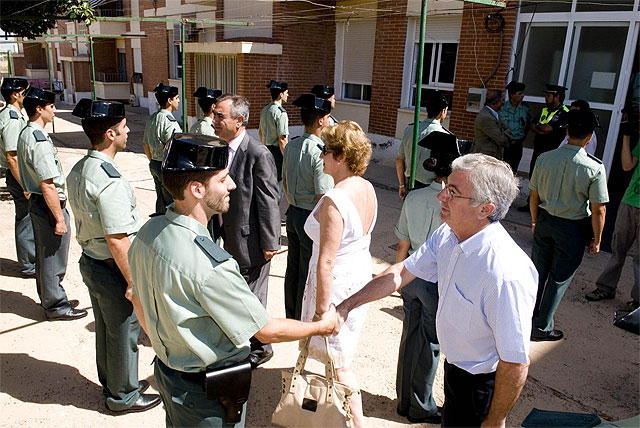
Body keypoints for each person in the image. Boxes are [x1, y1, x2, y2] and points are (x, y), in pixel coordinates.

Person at [128, 134, 336, 428]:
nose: (232, 185)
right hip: (206, 396)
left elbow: (135, 296)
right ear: (197, 189)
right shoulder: (213, 265)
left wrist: (170, 346)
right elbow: (266, 331)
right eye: (223, 179)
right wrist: (321, 326)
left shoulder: (148, 233)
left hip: (168, 374)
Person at [333, 153, 537, 427]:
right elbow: (402, 272)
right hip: (455, 373)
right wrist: (347, 305)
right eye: (445, 188)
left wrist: (495, 420)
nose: (441, 197)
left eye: (453, 193)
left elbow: (515, 362)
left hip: (480, 388)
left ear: (485, 209)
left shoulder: (505, 274)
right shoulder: (449, 235)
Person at [66, 99, 161, 413]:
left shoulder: (82, 167)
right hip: (112, 267)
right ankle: (122, 396)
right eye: (123, 128)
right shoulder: (108, 179)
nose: (128, 130)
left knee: (108, 331)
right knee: (123, 332)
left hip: (92, 261)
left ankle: (114, 383)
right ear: (110, 134)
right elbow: (118, 238)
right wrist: (133, 282)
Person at [300, 121, 377, 428]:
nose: (321, 157)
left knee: (340, 365)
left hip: (336, 287)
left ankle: (357, 424)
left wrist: (321, 312)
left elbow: (326, 262)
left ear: (342, 156)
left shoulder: (335, 199)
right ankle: (320, 416)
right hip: (356, 280)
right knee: (338, 360)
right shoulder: (367, 187)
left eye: (326, 150)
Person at [394, 131, 460, 425]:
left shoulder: (415, 197)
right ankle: (421, 404)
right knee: (430, 343)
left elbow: (402, 243)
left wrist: (399, 279)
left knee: (409, 336)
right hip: (436, 278)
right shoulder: (454, 205)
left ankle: (403, 399)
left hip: (411, 272)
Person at [212, 94, 281, 367]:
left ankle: (261, 346)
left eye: (220, 116)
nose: (214, 120)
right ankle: (245, 338)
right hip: (225, 235)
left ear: (239, 121)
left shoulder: (258, 154)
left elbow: (268, 201)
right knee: (237, 292)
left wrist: (270, 241)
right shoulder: (219, 148)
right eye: (214, 114)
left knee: (253, 296)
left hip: (250, 240)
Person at [529, 109, 609, 341]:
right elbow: (599, 209)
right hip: (572, 228)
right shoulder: (594, 167)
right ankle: (542, 327)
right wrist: (597, 238)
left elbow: (533, 196)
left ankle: (525, 318)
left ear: (566, 131)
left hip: (544, 220)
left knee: (538, 273)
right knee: (559, 278)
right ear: (589, 137)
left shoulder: (545, 158)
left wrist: (534, 221)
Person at [17, 87, 87, 321]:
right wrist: (59, 218)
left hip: (39, 201)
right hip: (48, 204)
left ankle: (51, 297)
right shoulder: (38, 140)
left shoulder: (28, 133)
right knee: (52, 257)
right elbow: (47, 184)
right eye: (51, 107)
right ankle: (56, 305)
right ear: (39, 109)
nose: (54, 111)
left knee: (45, 253)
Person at [282, 94, 334, 320]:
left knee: (292, 268)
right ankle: (300, 319)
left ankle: (290, 313)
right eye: (328, 117)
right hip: (309, 216)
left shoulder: (292, 145)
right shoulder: (319, 151)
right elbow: (322, 194)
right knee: (306, 269)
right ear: (321, 120)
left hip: (293, 212)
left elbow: (284, 180)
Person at [585, 132, 639, 310]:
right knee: (618, 250)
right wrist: (626, 136)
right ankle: (606, 287)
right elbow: (626, 165)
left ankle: (638, 302)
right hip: (629, 201)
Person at [0, 77, 35, 277]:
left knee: (26, 218)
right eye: (25, 91)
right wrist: (25, 185)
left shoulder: (14, 115)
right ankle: (28, 264)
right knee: (26, 219)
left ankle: (29, 260)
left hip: (19, 174)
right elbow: (12, 157)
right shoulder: (12, 119)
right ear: (15, 94)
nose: (28, 95)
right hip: (19, 175)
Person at [519, 84, 569, 212]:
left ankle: (543, 207)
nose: (546, 98)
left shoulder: (564, 113)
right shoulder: (544, 110)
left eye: (548, 95)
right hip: (538, 149)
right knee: (534, 177)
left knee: (547, 180)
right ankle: (531, 204)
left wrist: (541, 128)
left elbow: (547, 128)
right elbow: (532, 125)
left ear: (557, 97)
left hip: (553, 152)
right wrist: (541, 130)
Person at [395, 92, 452, 198]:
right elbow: (446, 173)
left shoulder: (410, 129)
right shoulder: (446, 137)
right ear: (443, 111)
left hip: (410, 185)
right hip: (431, 189)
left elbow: (399, 160)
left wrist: (402, 185)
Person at [142, 83, 182, 214]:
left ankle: (158, 224)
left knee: (160, 199)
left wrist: (153, 160)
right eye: (177, 98)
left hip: (154, 163)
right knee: (171, 203)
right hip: (166, 167)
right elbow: (173, 147)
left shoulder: (152, 118)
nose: (179, 101)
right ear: (170, 101)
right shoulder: (170, 122)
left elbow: (145, 144)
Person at [259, 80, 289, 185]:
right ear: (281, 95)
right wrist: (287, 158)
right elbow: (282, 139)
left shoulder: (265, 110)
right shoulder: (281, 113)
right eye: (286, 93)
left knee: (267, 182)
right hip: (277, 152)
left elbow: (260, 132)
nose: (288, 95)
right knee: (278, 185)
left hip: (265, 149)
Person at [499, 81, 531, 173]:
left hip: (517, 145)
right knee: (502, 170)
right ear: (512, 95)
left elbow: (528, 123)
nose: (522, 96)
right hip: (505, 145)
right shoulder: (502, 108)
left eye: (523, 93)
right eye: (520, 93)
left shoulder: (524, 109)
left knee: (514, 170)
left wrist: (524, 136)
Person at [472, 89, 511, 160]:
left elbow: (508, 128)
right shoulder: (486, 117)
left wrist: (502, 133)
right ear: (495, 103)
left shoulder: (494, 114)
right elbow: (501, 139)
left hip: (492, 155)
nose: (503, 103)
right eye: (501, 101)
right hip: (486, 156)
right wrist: (504, 134)